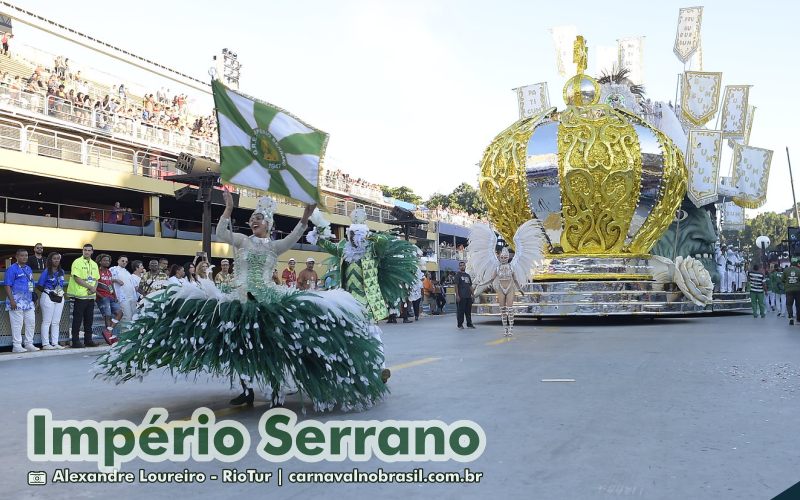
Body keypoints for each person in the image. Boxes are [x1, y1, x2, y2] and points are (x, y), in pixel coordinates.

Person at [97, 191, 388, 412]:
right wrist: (228, 208)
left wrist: (305, 215)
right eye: (252, 218)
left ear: (269, 225)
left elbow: (298, 233)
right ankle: (247, 390)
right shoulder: (241, 241)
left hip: (269, 302)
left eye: (258, 219)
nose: (253, 221)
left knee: (272, 346)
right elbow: (221, 233)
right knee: (240, 347)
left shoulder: (275, 245)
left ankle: (275, 389)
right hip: (239, 299)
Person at [67, 243, 100, 348]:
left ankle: (88, 340)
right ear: (82, 251)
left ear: (92, 252)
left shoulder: (94, 264)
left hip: (90, 296)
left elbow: (96, 279)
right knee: (77, 320)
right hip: (80, 296)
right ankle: (75, 341)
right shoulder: (77, 262)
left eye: (89, 250)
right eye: (85, 250)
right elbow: (77, 278)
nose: (87, 252)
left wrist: (94, 288)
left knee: (89, 320)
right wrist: (91, 288)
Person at [5, 249, 37, 352]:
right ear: (17, 257)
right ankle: (17, 346)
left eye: (26, 256)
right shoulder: (11, 269)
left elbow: (31, 284)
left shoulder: (29, 269)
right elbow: (7, 285)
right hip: (16, 301)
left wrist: (33, 297)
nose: (24, 257)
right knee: (17, 324)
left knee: (31, 322)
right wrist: (12, 300)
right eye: (22, 256)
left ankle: (29, 343)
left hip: (28, 301)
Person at [36, 251, 66, 350]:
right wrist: (49, 291)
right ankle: (45, 344)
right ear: (50, 260)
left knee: (56, 322)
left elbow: (61, 284)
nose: (56, 260)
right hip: (48, 297)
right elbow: (39, 286)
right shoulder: (46, 271)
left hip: (59, 296)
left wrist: (58, 293)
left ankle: (55, 342)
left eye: (58, 258)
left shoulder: (61, 271)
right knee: (47, 321)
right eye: (54, 258)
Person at [95, 254, 123, 344]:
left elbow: (110, 285)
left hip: (111, 296)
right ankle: (109, 338)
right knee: (108, 316)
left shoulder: (108, 272)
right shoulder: (96, 271)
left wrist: (114, 295)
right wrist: (100, 296)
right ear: (100, 261)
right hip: (102, 297)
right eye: (105, 260)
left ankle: (108, 332)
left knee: (119, 313)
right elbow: (93, 286)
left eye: (108, 261)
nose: (107, 262)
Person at [110, 255, 137, 325]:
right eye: (122, 261)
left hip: (131, 297)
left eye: (126, 261)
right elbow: (107, 280)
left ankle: (130, 334)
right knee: (126, 317)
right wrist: (116, 280)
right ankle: (123, 334)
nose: (124, 262)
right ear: (118, 261)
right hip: (122, 298)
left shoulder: (127, 272)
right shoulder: (113, 269)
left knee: (133, 317)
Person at [453, 261, 475, 330]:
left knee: (468, 311)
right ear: (459, 267)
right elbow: (456, 285)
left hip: (468, 296)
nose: (462, 266)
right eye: (461, 265)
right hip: (461, 296)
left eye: (463, 265)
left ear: (465, 266)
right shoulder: (457, 275)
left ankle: (469, 324)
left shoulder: (467, 275)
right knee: (460, 311)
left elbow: (470, 286)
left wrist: (473, 294)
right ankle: (460, 324)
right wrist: (457, 295)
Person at [783, 259, 800, 325]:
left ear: (791, 264)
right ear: (797, 264)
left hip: (788, 290)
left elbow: (782, 279)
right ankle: (798, 319)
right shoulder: (799, 270)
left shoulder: (786, 270)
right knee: (798, 305)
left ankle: (791, 318)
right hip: (798, 290)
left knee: (789, 304)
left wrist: (786, 284)